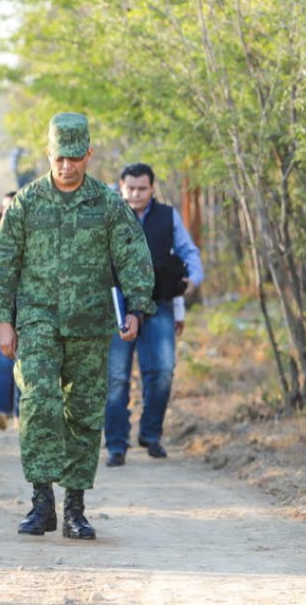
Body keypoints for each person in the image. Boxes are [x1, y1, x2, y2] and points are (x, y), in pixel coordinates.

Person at [0, 113, 154, 540]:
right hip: (38, 318)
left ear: (88, 155)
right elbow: (2, 264)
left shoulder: (107, 203)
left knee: (83, 413)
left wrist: (135, 308)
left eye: (75, 158)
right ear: (48, 154)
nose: (67, 166)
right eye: (60, 157)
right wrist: (4, 322)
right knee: (39, 401)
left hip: (90, 323)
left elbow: (133, 256)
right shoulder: (26, 202)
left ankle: (75, 505)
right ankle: (42, 501)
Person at [104, 163, 203, 467]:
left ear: (152, 189)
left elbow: (189, 252)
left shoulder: (167, 216)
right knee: (117, 377)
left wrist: (193, 281)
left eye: (142, 188)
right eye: (130, 188)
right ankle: (116, 445)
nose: (135, 194)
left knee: (162, 371)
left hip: (157, 303)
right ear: (121, 188)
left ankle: (150, 434)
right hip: (117, 305)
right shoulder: (107, 215)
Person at [0, 191, 19, 430]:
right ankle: (1, 410)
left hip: (28, 314)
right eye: (5, 207)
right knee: (1, 363)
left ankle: (19, 414)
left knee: (24, 366)